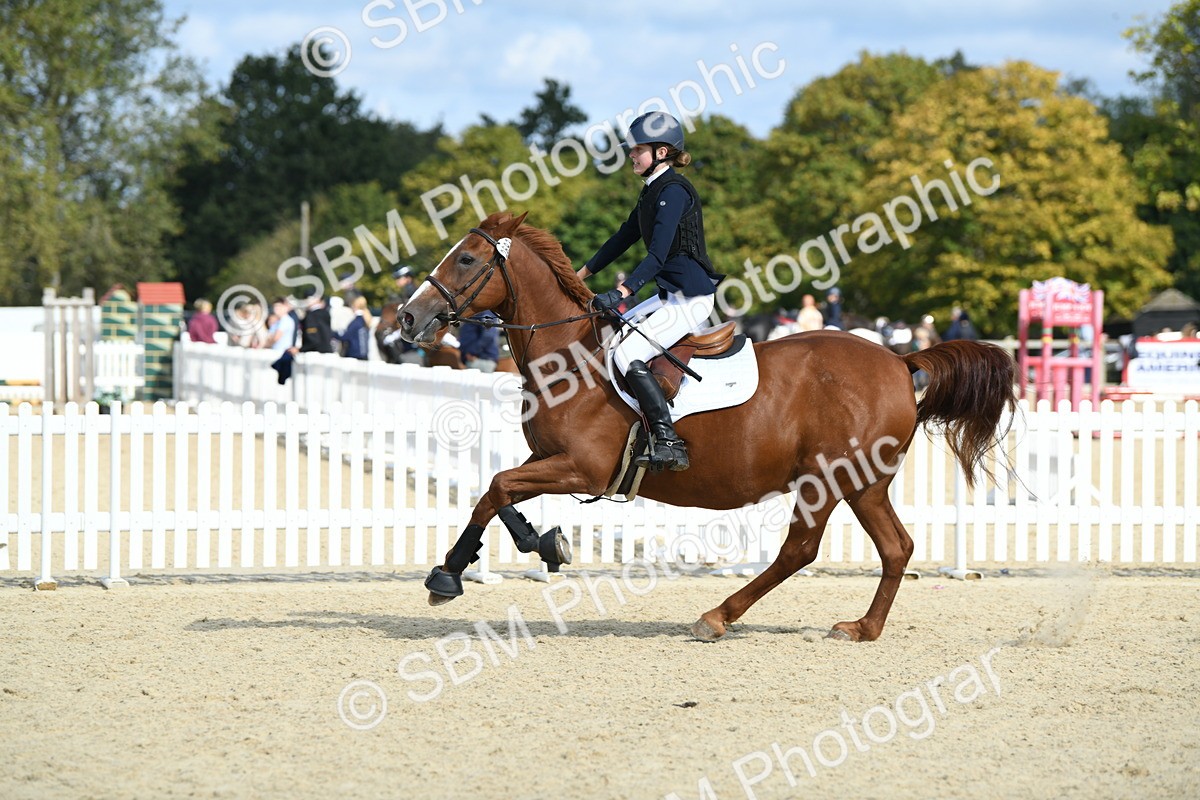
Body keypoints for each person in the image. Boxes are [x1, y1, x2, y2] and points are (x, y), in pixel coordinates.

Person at [576, 111, 724, 472]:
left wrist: (624, 290)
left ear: (661, 152)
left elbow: (657, 254)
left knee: (627, 355)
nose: (630, 154)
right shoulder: (651, 191)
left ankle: (668, 441)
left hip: (691, 299)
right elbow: (623, 238)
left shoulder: (673, 191)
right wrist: (578, 276)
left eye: (637, 149)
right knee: (610, 340)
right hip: (668, 295)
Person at [291, 290, 334, 355]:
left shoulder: (311, 316)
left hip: (314, 354)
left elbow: (313, 339)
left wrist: (300, 350)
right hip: (326, 352)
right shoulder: (324, 313)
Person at [336, 295, 373, 360]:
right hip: (364, 354)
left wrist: (334, 334)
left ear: (354, 306)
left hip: (355, 355)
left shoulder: (357, 321)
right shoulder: (365, 319)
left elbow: (346, 336)